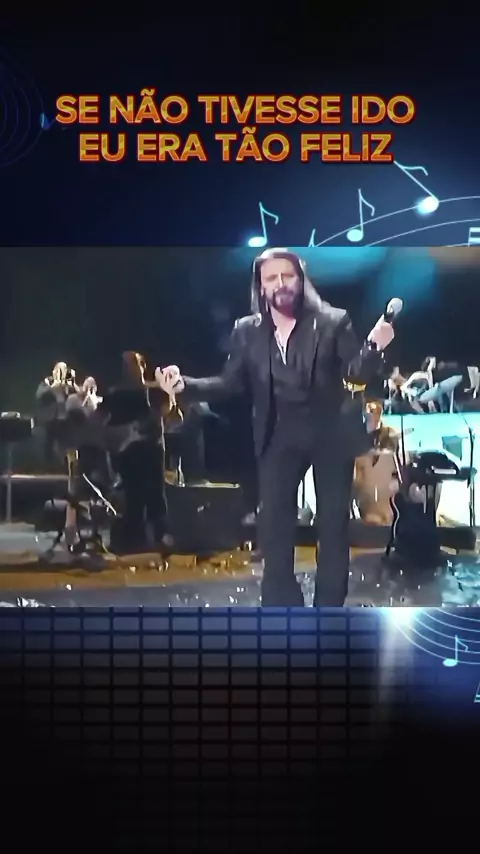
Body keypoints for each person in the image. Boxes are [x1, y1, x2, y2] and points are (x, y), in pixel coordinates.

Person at [157, 248, 395, 606]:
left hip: (330, 434)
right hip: (279, 434)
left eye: (288, 276)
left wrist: (374, 346)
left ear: (301, 280)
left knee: (332, 529)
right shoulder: (247, 331)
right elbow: (228, 383)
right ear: (261, 285)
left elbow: (355, 376)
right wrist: (184, 386)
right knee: (274, 528)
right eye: (272, 277)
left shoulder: (333, 322)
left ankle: (328, 613)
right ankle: (283, 611)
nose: (281, 283)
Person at [100, 352, 171, 554]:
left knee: (155, 495)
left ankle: (160, 537)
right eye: (126, 365)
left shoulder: (154, 391)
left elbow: (170, 415)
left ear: (142, 366)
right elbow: (99, 422)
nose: (130, 369)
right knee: (133, 496)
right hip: (129, 453)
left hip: (152, 451)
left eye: (133, 364)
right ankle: (134, 541)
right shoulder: (116, 394)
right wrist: (118, 437)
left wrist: (169, 394)